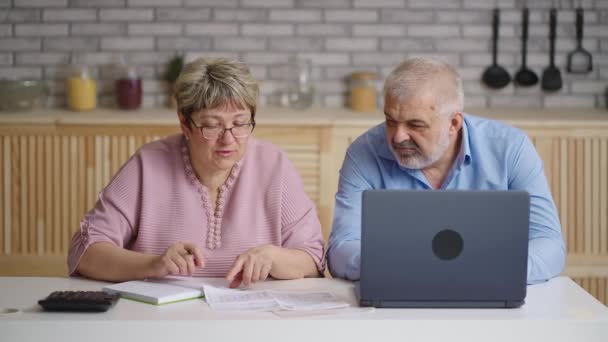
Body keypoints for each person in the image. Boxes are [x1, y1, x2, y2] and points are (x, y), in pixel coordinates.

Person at [68, 57, 324, 288]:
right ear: (185, 124)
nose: (229, 139)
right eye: (212, 126)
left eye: (240, 123)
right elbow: (86, 252)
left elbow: (313, 258)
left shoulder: (275, 166)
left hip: (252, 321)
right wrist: (154, 265)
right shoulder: (148, 165)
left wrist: (275, 257)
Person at [327, 57, 565, 285]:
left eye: (415, 124)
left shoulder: (510, 148)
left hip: (489, 294)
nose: (398, 136)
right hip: (396, 295)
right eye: (390, 121)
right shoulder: (363, 153)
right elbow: (341, 249)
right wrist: (395, 268)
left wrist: (493, 271)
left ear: (453, 123)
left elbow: (549, 243)